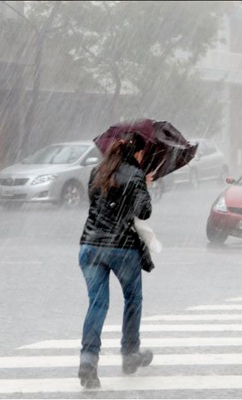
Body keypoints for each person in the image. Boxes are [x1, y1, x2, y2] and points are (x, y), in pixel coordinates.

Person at [77, 131, 155, 389]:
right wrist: (144, 185)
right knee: (133, 298)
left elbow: (97, 202)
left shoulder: (97, 172)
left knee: (97, 305)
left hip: (90, 246)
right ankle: (130, 354)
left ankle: (88, 361)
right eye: (143, 153)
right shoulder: (135, 175)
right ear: (136, 152)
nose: (144, 157)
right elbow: (144, 211)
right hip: (122, 248)